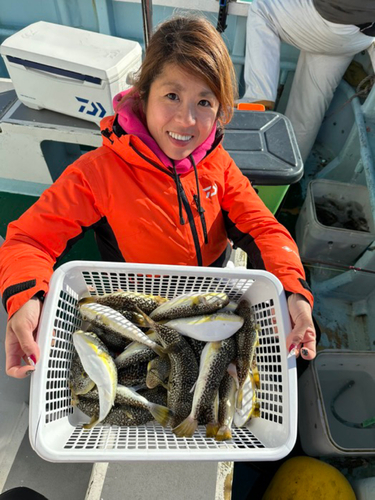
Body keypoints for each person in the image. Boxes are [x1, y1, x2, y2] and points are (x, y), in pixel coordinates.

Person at [0, 14, 316, 380]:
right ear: (143, 94)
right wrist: (26, 299)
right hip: (135, 310)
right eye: (171, 96)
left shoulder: (220, 166)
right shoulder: (96, 173)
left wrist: (296, 292)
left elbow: (264, 230)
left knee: (298, 362)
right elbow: (29, 241)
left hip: (207, 302)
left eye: (204, 102)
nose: (186, 120)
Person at [242, 0, 375, 161]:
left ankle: (258, 97)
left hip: (330, 18)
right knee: (307, 109)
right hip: (359, 37)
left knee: (262, 10)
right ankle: (287, 172)